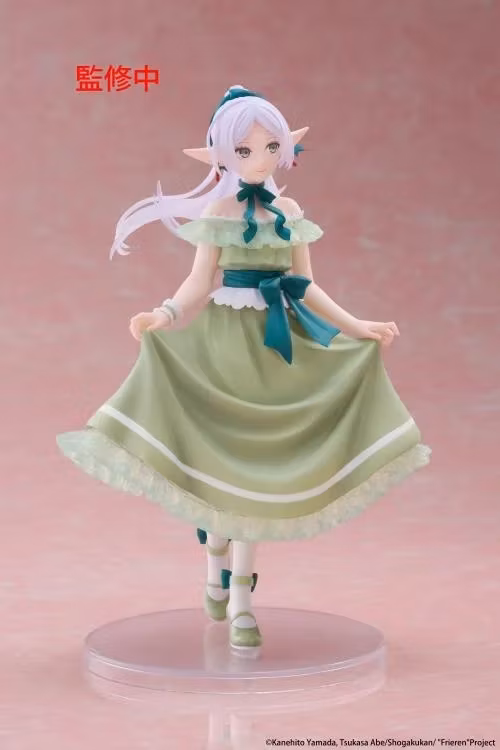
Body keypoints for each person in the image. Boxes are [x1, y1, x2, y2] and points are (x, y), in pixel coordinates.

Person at [57, 85, 431, 654]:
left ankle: (241, 599)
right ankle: (215, 559)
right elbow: (198, 281)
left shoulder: (291, 214)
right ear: (222, 155)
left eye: (270, 146)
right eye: (245, 149)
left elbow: (306, 284)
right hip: (222, 346)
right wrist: (164, 313)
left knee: (259, 469)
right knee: (223, 457)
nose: (259, 158)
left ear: (285, 149)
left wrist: (359, 326)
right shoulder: (219, 212)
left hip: (277, 349)